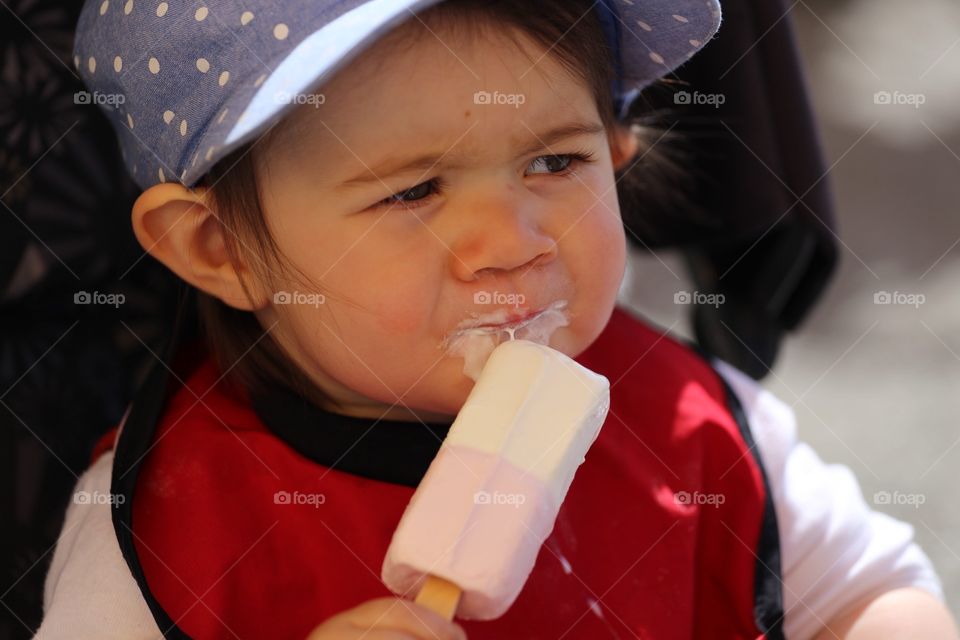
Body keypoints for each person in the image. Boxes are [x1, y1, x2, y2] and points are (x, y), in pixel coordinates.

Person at [36, 0, 957, 638]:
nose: (511, 243)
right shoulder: (159, 517)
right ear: (217, 250)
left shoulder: (693, 421)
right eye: (412, 190)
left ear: (620, 158)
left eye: (555, 164)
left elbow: (872, 589)